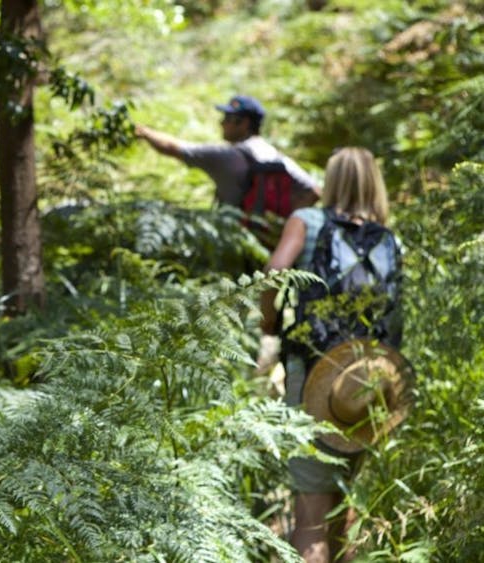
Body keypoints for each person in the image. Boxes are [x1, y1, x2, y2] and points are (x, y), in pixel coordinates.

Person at [258, 147, 399, 563]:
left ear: (332, 180)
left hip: (316, 374)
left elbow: (273, 274)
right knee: (342, 503)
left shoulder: (307, 221)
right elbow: (395, 321)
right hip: (370, 383)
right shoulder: (388, 239)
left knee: (312, 516)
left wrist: (268, 324)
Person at [134, 94, 321, 212]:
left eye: (228, 118)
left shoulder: (226, 156)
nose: (222, 123)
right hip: (269, 241)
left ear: (244, 123)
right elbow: (314, 191)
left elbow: (173, 148)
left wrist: (143, 132)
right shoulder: (272, 153)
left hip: (236, 236)